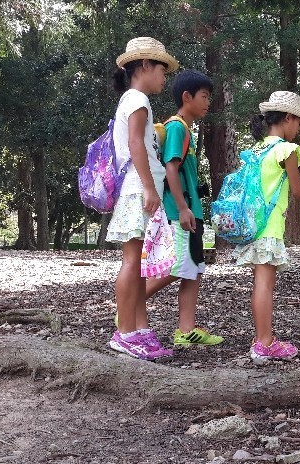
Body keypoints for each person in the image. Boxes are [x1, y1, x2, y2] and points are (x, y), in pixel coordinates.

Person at [235, 91, 300, 364]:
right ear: (288, 118)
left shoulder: (256, 150)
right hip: (269, 228)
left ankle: (261, 339)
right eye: (298, 124)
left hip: (252, 225)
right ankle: (265, 343)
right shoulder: (286, 150)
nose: (299, 130)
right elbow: (298, 189)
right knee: (265, 285)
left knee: (260, 284)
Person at [106, 37, 178, 360]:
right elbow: (137, 144)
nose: (165, 76)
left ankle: (139, 330)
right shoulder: (138, 100)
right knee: (133, 262)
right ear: (145, 66)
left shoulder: (131, 99)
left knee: (140, 264)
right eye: (162, 69)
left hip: (137, 190)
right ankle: (124, 333)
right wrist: (150, 187)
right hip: (138, 190)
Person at [144, 70, 223, 348]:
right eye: (204, 96)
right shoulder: (177, 127)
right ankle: (130, 307)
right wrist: (182, 208)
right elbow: (170, 169)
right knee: (178, 266)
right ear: (186, 97)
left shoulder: (187, 129)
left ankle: (185, 330)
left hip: (192, 212)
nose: (207, 102)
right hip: (181, 212)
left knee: (194, 269)